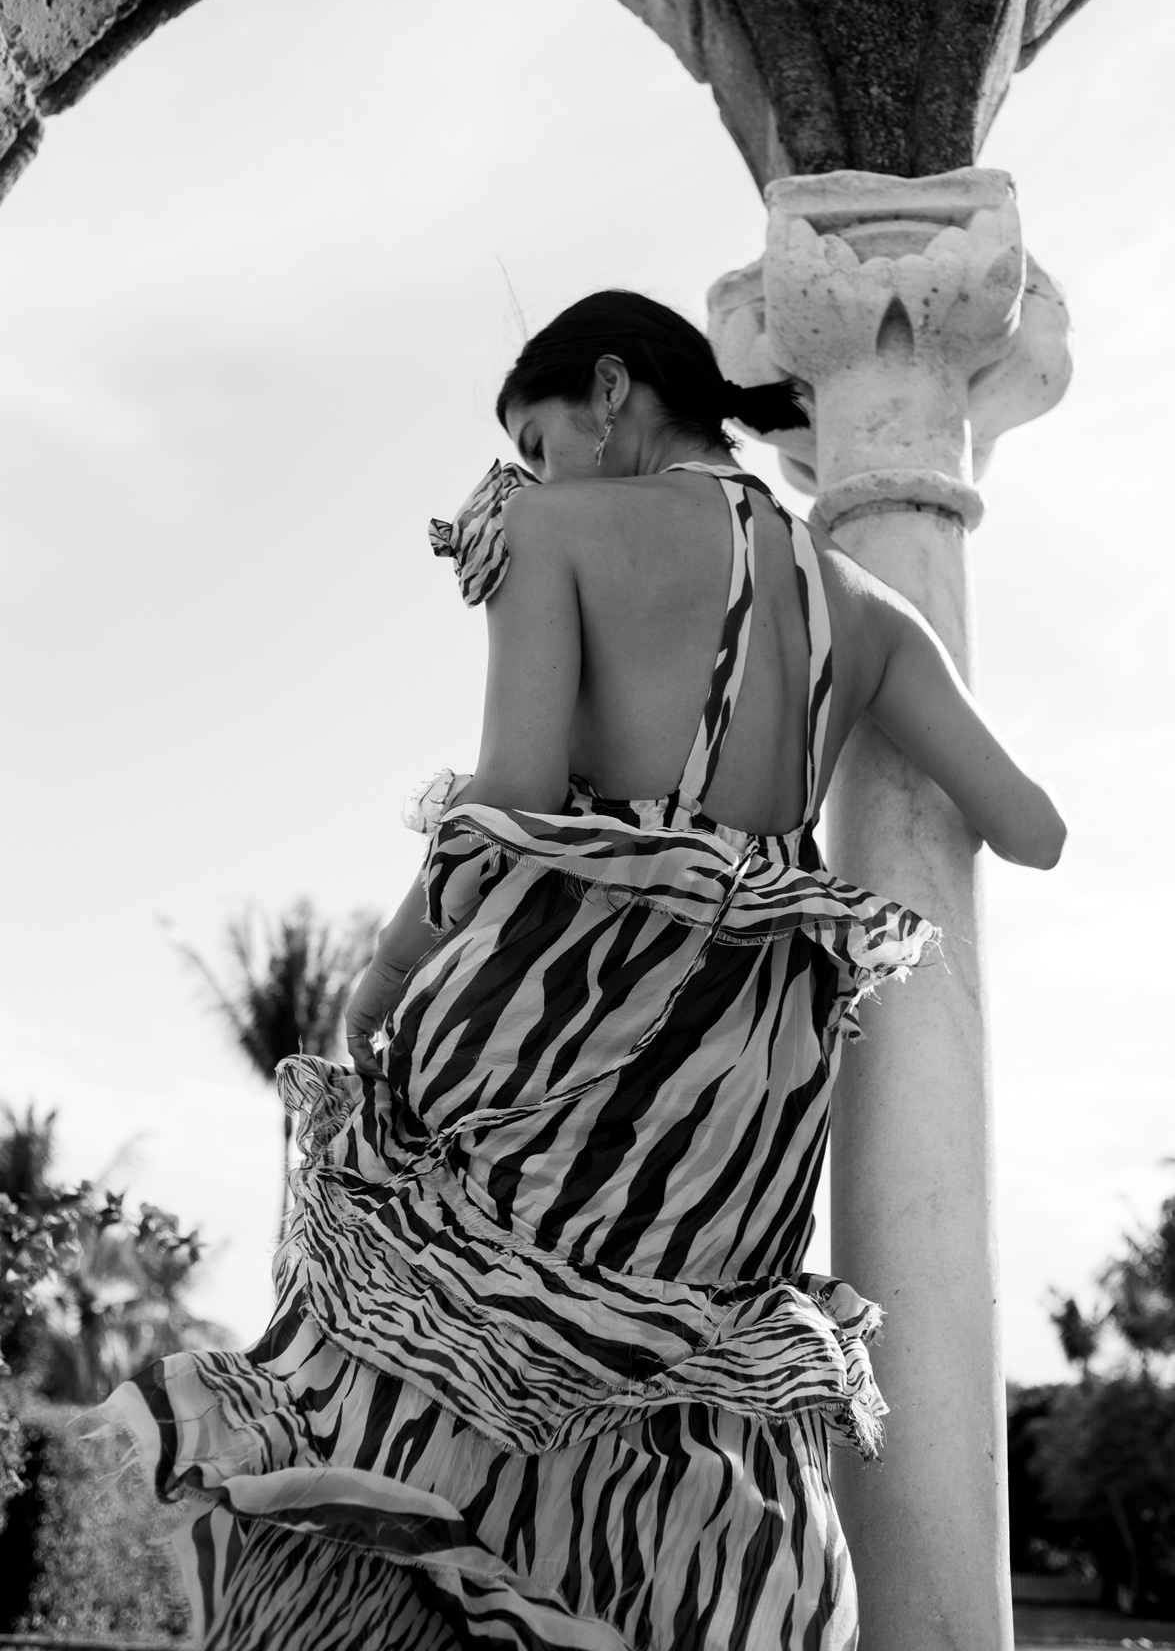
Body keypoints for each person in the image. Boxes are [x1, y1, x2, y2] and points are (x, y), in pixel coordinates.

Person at [105, 290, 1065, 1651]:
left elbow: (510, 795)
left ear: (612, 392)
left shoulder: (551, 529)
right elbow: (1034, 827)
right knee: (658, 1414)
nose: (538, 473)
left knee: (418, 1376)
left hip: (564, 1010)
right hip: (742, 1089)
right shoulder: (869, 612)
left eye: (541, 441)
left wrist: (385, 970)